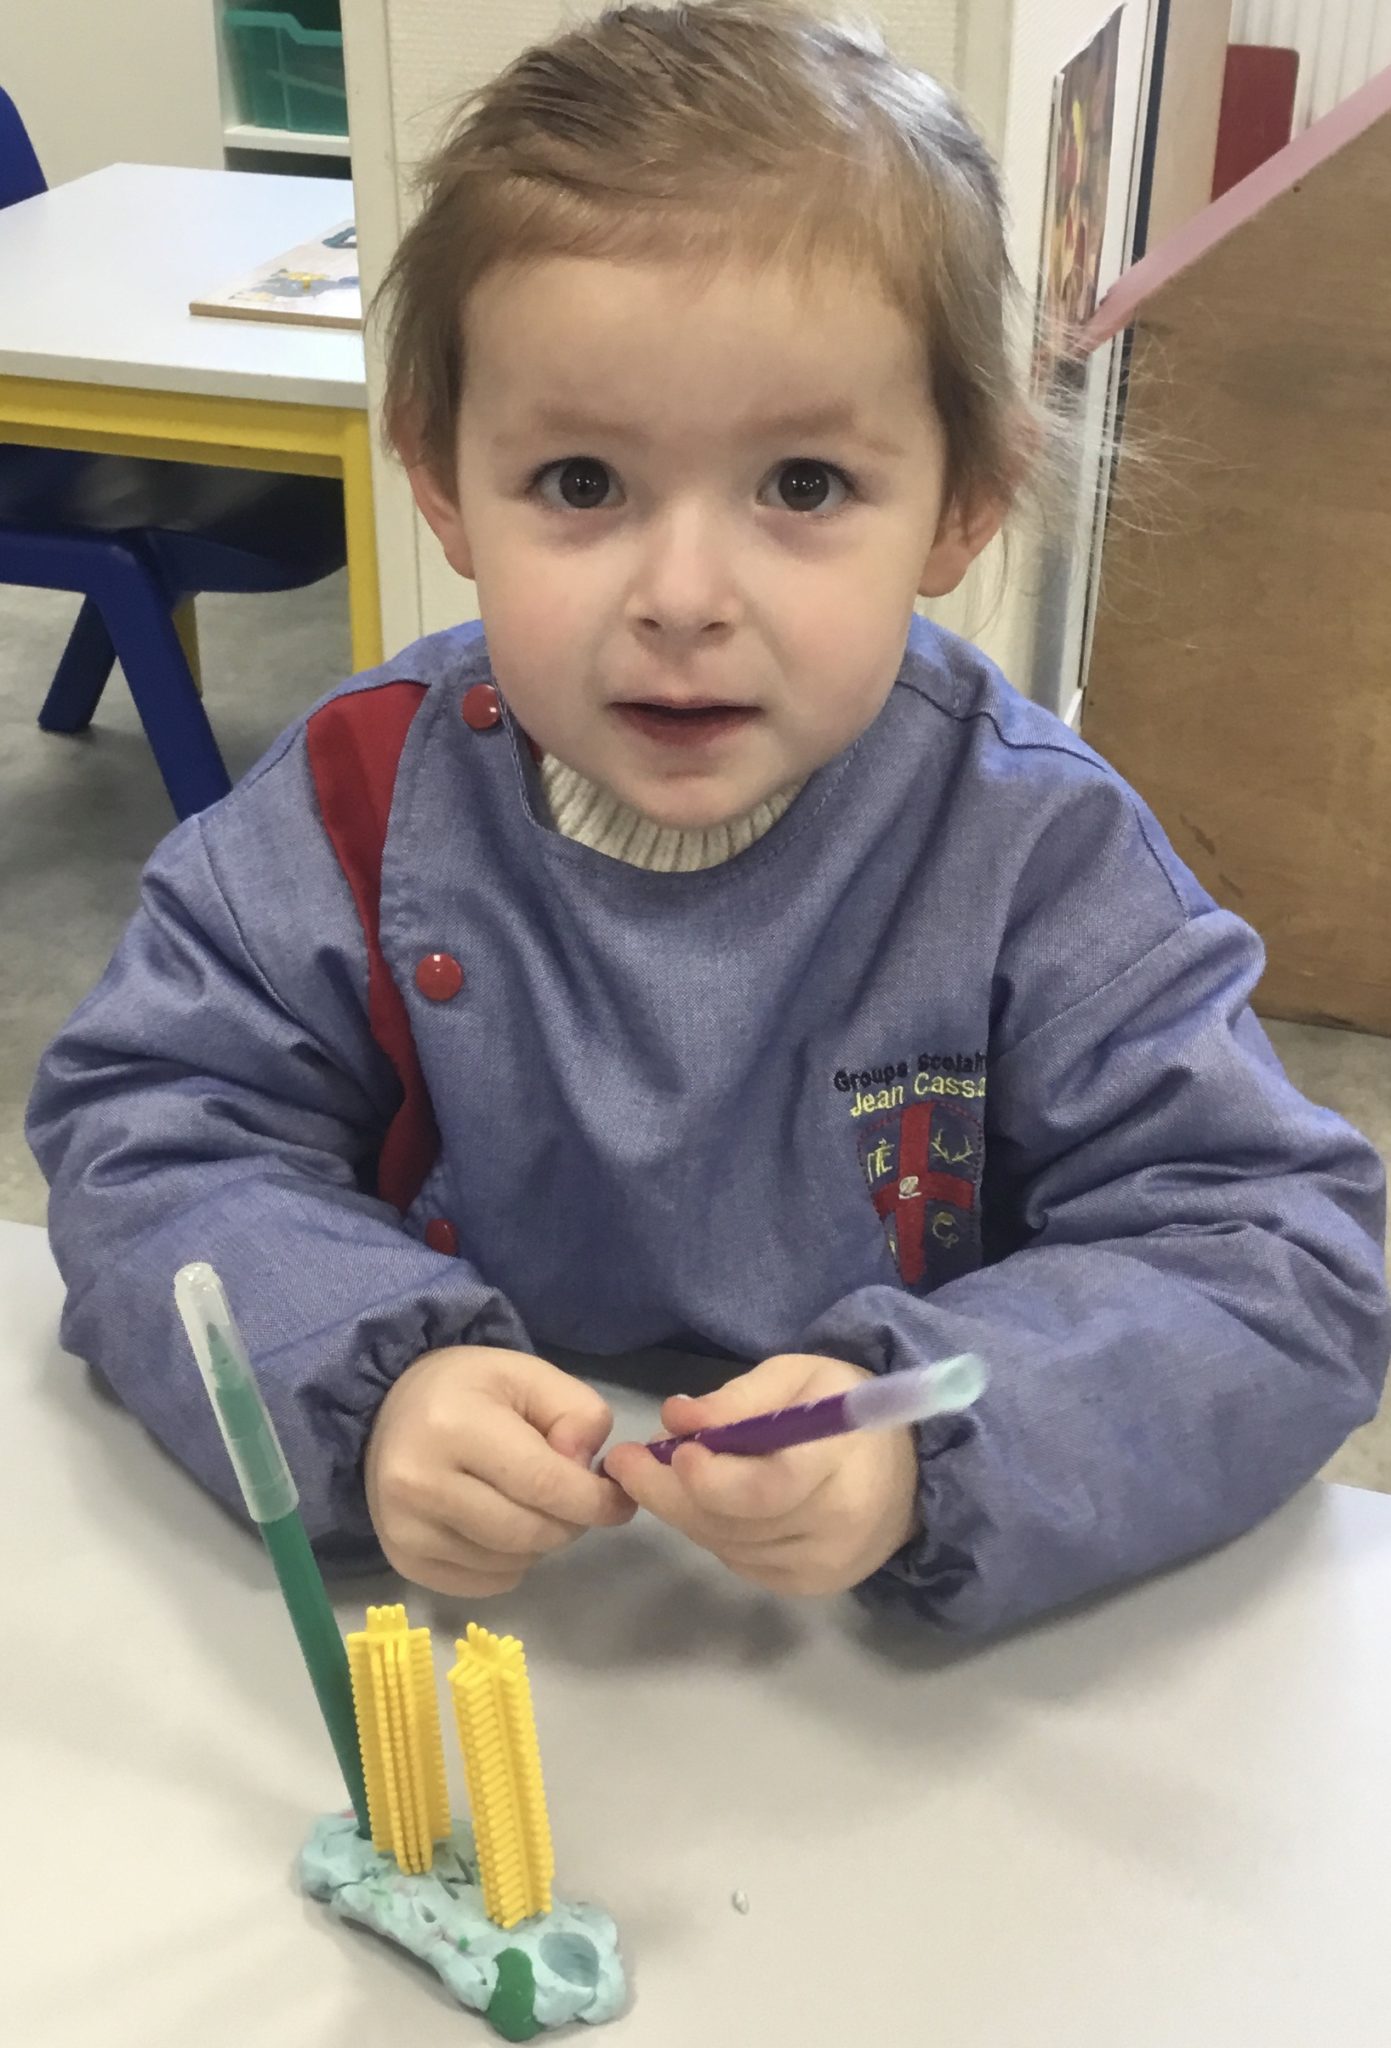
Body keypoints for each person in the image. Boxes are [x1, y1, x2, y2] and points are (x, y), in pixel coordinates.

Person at [27, 1, 1389, 1636]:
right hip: (497, 1621)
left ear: (961, 503)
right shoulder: (358, 798)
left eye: (803, 485)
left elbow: (1278, 1261)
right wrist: (364, 1376)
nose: (682, 597)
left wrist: (929, 1447)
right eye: (582, 483)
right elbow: (146, 1130)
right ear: (444, 486)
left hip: (874, 1661)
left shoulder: (1037, 851)